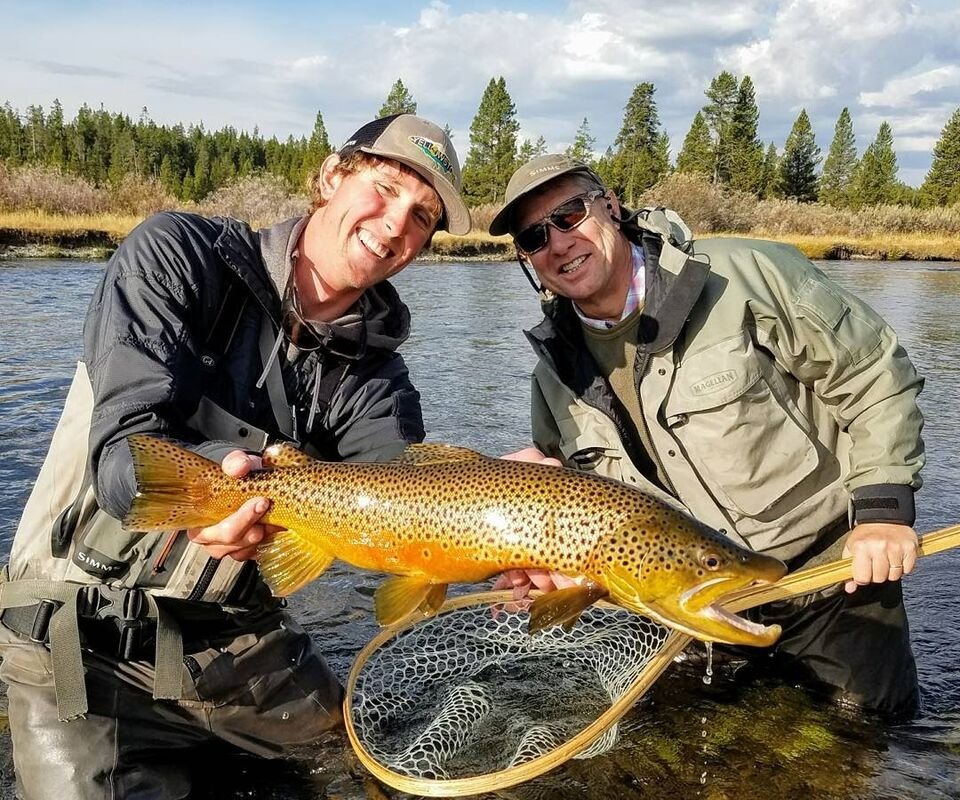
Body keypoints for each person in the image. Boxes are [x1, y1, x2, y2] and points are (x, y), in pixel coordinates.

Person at [0, 113, 470, 799]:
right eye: (386, 187)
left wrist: (506, 507)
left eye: (422, 216)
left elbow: (406, 494)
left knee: (376, 779)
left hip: (238, 643)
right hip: (79, 638)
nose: (397, 222)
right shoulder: (179, 255)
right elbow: (125, 454)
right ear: (332, 177)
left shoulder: (375, 376)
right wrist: (220, 478)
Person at [490, 153, 925, 719]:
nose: (559, 242)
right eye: (534, 235)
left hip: (831, 583)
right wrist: (539, 553)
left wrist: (884, 512)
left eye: (570, 214)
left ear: (611, 205)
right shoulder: (553, 375)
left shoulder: (744, 274)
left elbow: (874, 374)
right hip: (687, 606)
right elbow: (580, 503)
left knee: (860, 743)